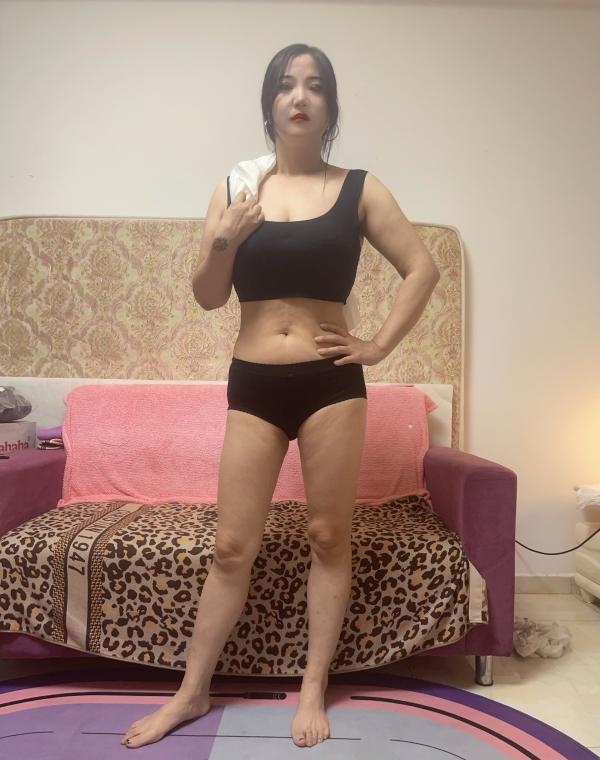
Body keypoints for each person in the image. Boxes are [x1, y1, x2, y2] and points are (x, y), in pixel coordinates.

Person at [121, 42, 440, 750]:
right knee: (232, 546)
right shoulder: (237, 189)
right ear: (269, 103)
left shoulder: (360, 188)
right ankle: (191, 693)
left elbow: (421, 269)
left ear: (330, 105)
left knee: (329, 536)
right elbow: (208, 297)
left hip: (331, 384)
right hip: (255, 380)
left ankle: (313, 686)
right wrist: (225, 239)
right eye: (287, 85)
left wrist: (378, 346)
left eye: (315, 85)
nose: (300, 96)